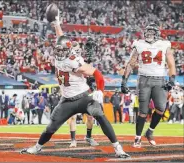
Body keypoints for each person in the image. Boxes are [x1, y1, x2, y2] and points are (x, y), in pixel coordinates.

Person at [21, 11, 130, 159]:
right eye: (58, 49)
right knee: (51, 127)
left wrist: (100, 91)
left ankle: (118, 148)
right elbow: (60, 36)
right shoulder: (62, 47)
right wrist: (57, 23)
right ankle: (37, 147)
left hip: (83, 98)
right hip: (66, 100)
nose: (59, 52)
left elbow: (97, 73)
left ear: (68, 50)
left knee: (99, 114)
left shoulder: (73, 60)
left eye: (62, 50)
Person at [121, 23, 176, 148]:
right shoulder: (139, 44)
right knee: (143, 111)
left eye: (152, 32)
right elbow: (131, 63)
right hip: (143, 79)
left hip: (160, 79)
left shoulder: (164, 44)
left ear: (157, 33)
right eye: (148, 31)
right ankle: (138, 137)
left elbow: (171, 62)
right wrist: (124, 81)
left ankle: (150, 131)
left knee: (161, 109)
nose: (149, 34)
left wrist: (172, 79)